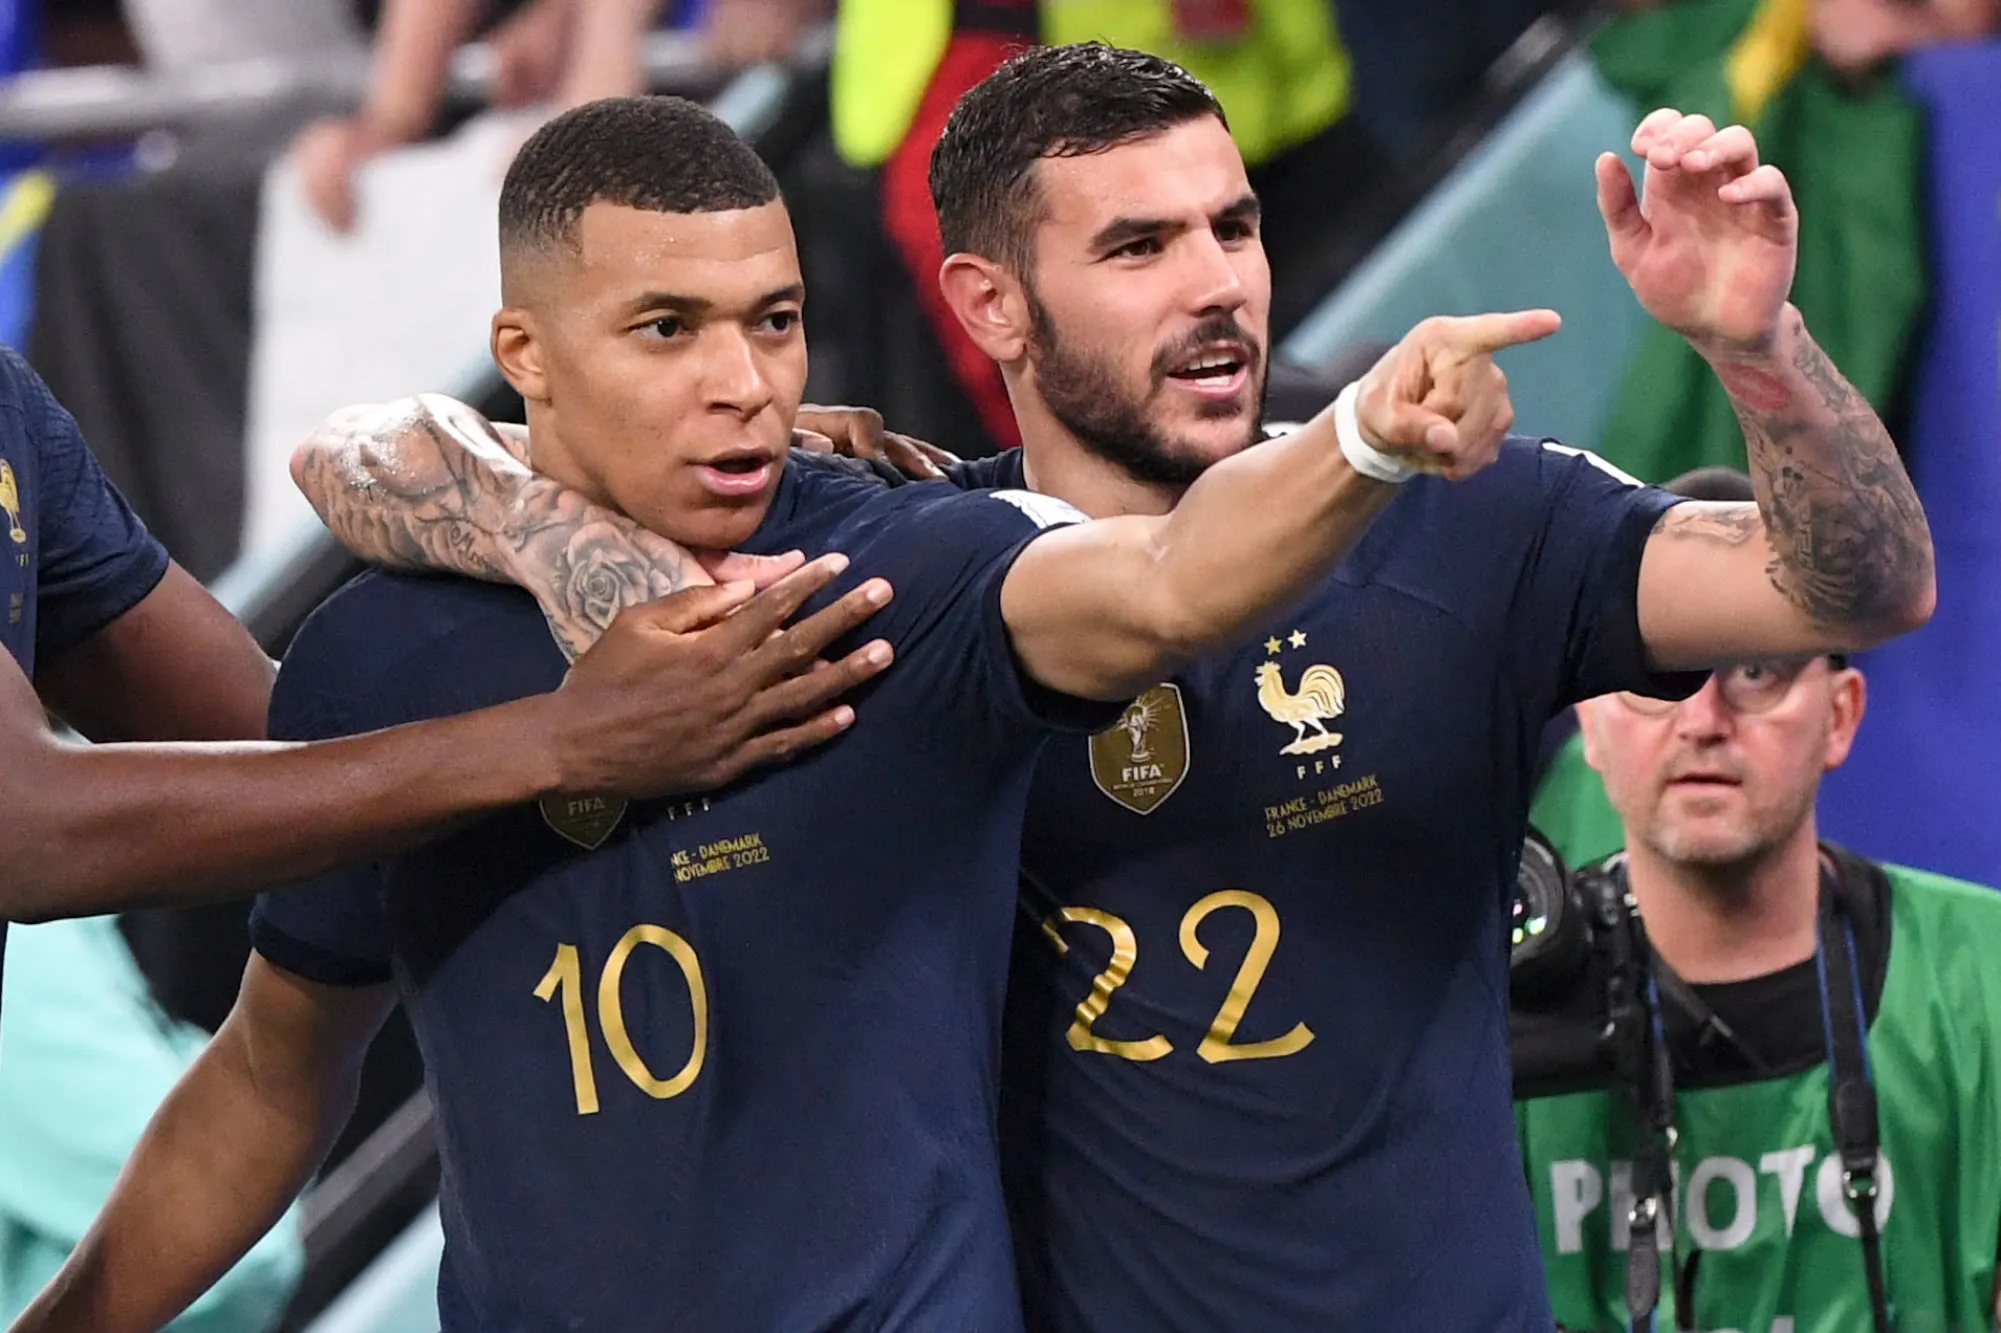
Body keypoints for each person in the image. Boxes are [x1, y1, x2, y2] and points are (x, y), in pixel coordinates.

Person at [275, 44, 1934, 1332]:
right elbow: (377, 450)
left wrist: (1756, 346)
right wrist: (528, 530)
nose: (1215, 282)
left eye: (1235, 227)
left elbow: (1857, 589)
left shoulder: (1472, 519)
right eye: (1138, 244)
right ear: (988, 302)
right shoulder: (917, 582)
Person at [14, 92, 1544, 1333]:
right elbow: (272, 1075)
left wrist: (1362, 438)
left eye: (775, 321)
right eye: (667, 329)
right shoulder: (387, 663)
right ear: (523, 357)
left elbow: (1166, 583)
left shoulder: (909, 576)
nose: (741, 381)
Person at [1514, 471, 2001, 1333]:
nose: (1700, 719)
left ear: (1840, 716)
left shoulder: (1982, 976)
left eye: (1753, 668)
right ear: (1588, 721)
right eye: (1656, 674)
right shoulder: (1496, 1014)